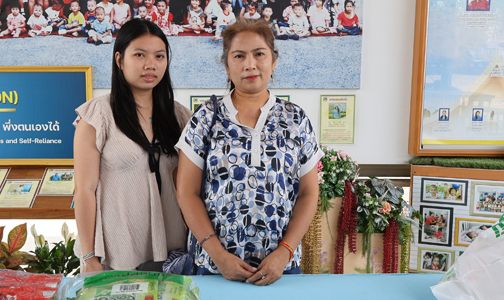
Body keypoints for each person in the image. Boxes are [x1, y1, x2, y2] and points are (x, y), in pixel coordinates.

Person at [177, 18, 320, 283]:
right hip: (214, 270)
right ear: (227, 66)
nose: (250, 64)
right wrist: (218, 256)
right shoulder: (206, 117)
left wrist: (285, 252)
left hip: (281, 270)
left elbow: (309, 193)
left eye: (259, 54)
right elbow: (187, 193)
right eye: (239, 56)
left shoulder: (295, 119)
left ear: (273, 62)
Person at [73, 18, 192, 272]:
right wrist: (89, 256)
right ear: (119, 59)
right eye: (139, 55)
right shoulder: (98, 114)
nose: (151, 64)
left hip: (174, 253)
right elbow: (84, 190)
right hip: (117, 254)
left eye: (159, 56)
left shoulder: (181, 117)